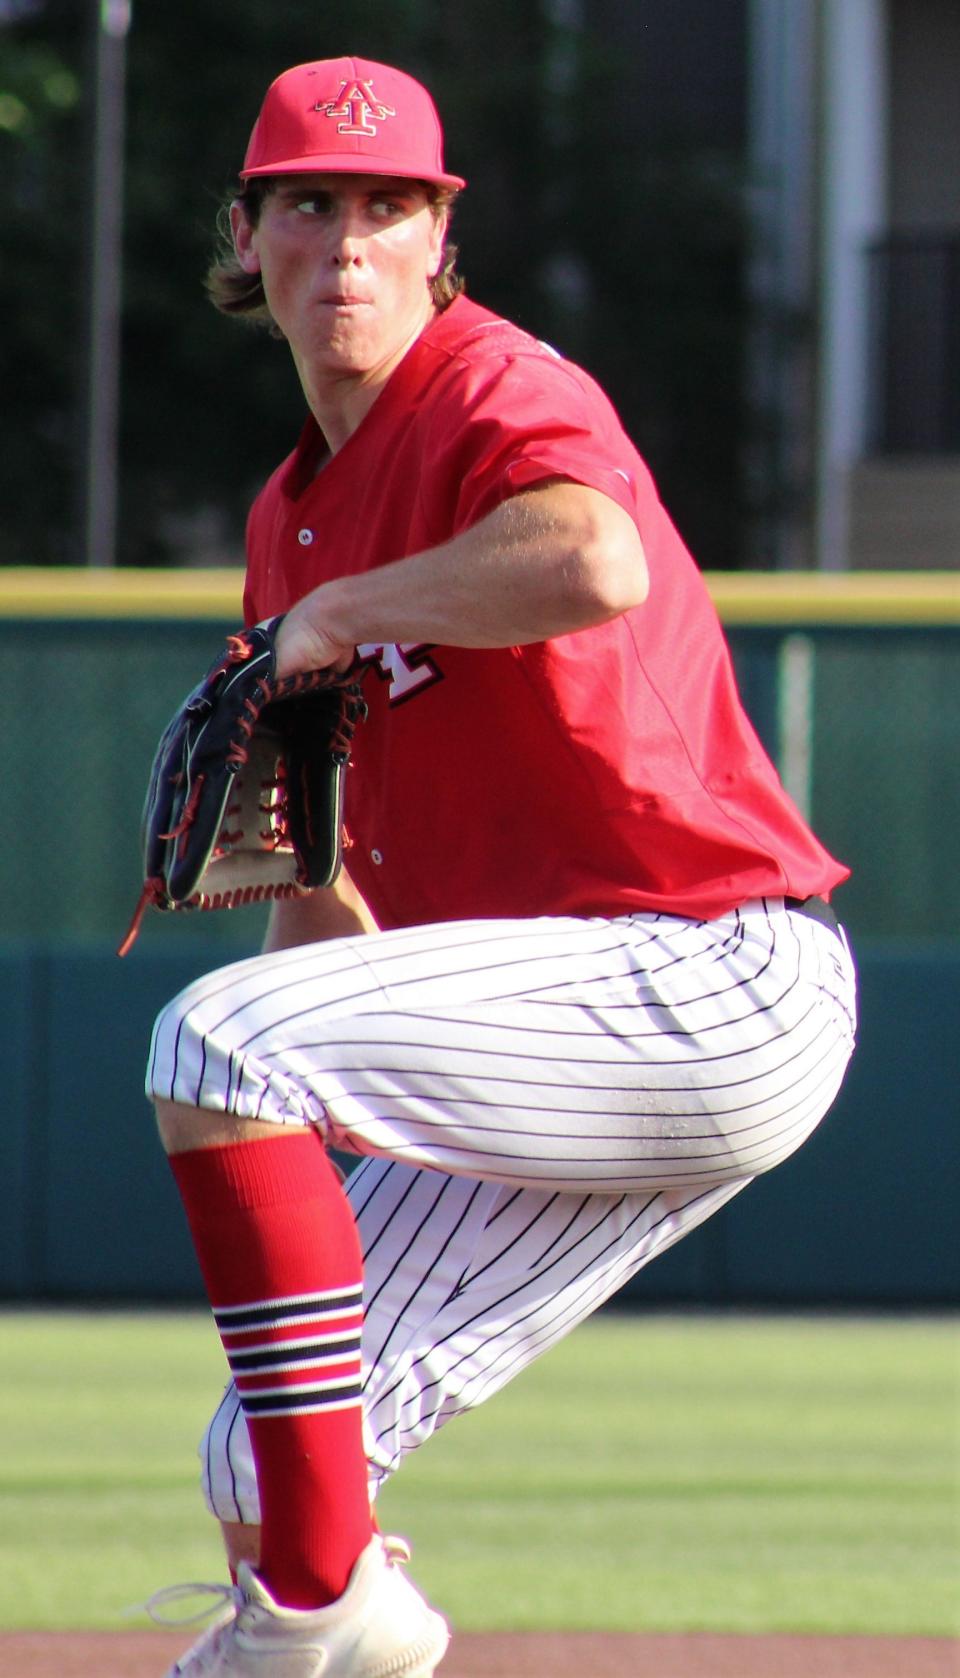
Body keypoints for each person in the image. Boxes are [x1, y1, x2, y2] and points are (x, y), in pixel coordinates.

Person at [147, 53, 857, 1678]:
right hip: (562, 1020)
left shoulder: (491, 384)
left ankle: (327, 1612)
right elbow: (328, 938)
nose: (346, 240)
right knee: (262, 1449)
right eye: (307, 204)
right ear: (246, 238)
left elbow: (594, 555)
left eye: (388, 206)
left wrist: (332, 622)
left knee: (212, 1045)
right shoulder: (284, 520)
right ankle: (328, 1621)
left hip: (711, 964)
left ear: (438, 242)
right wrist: (285, 914)